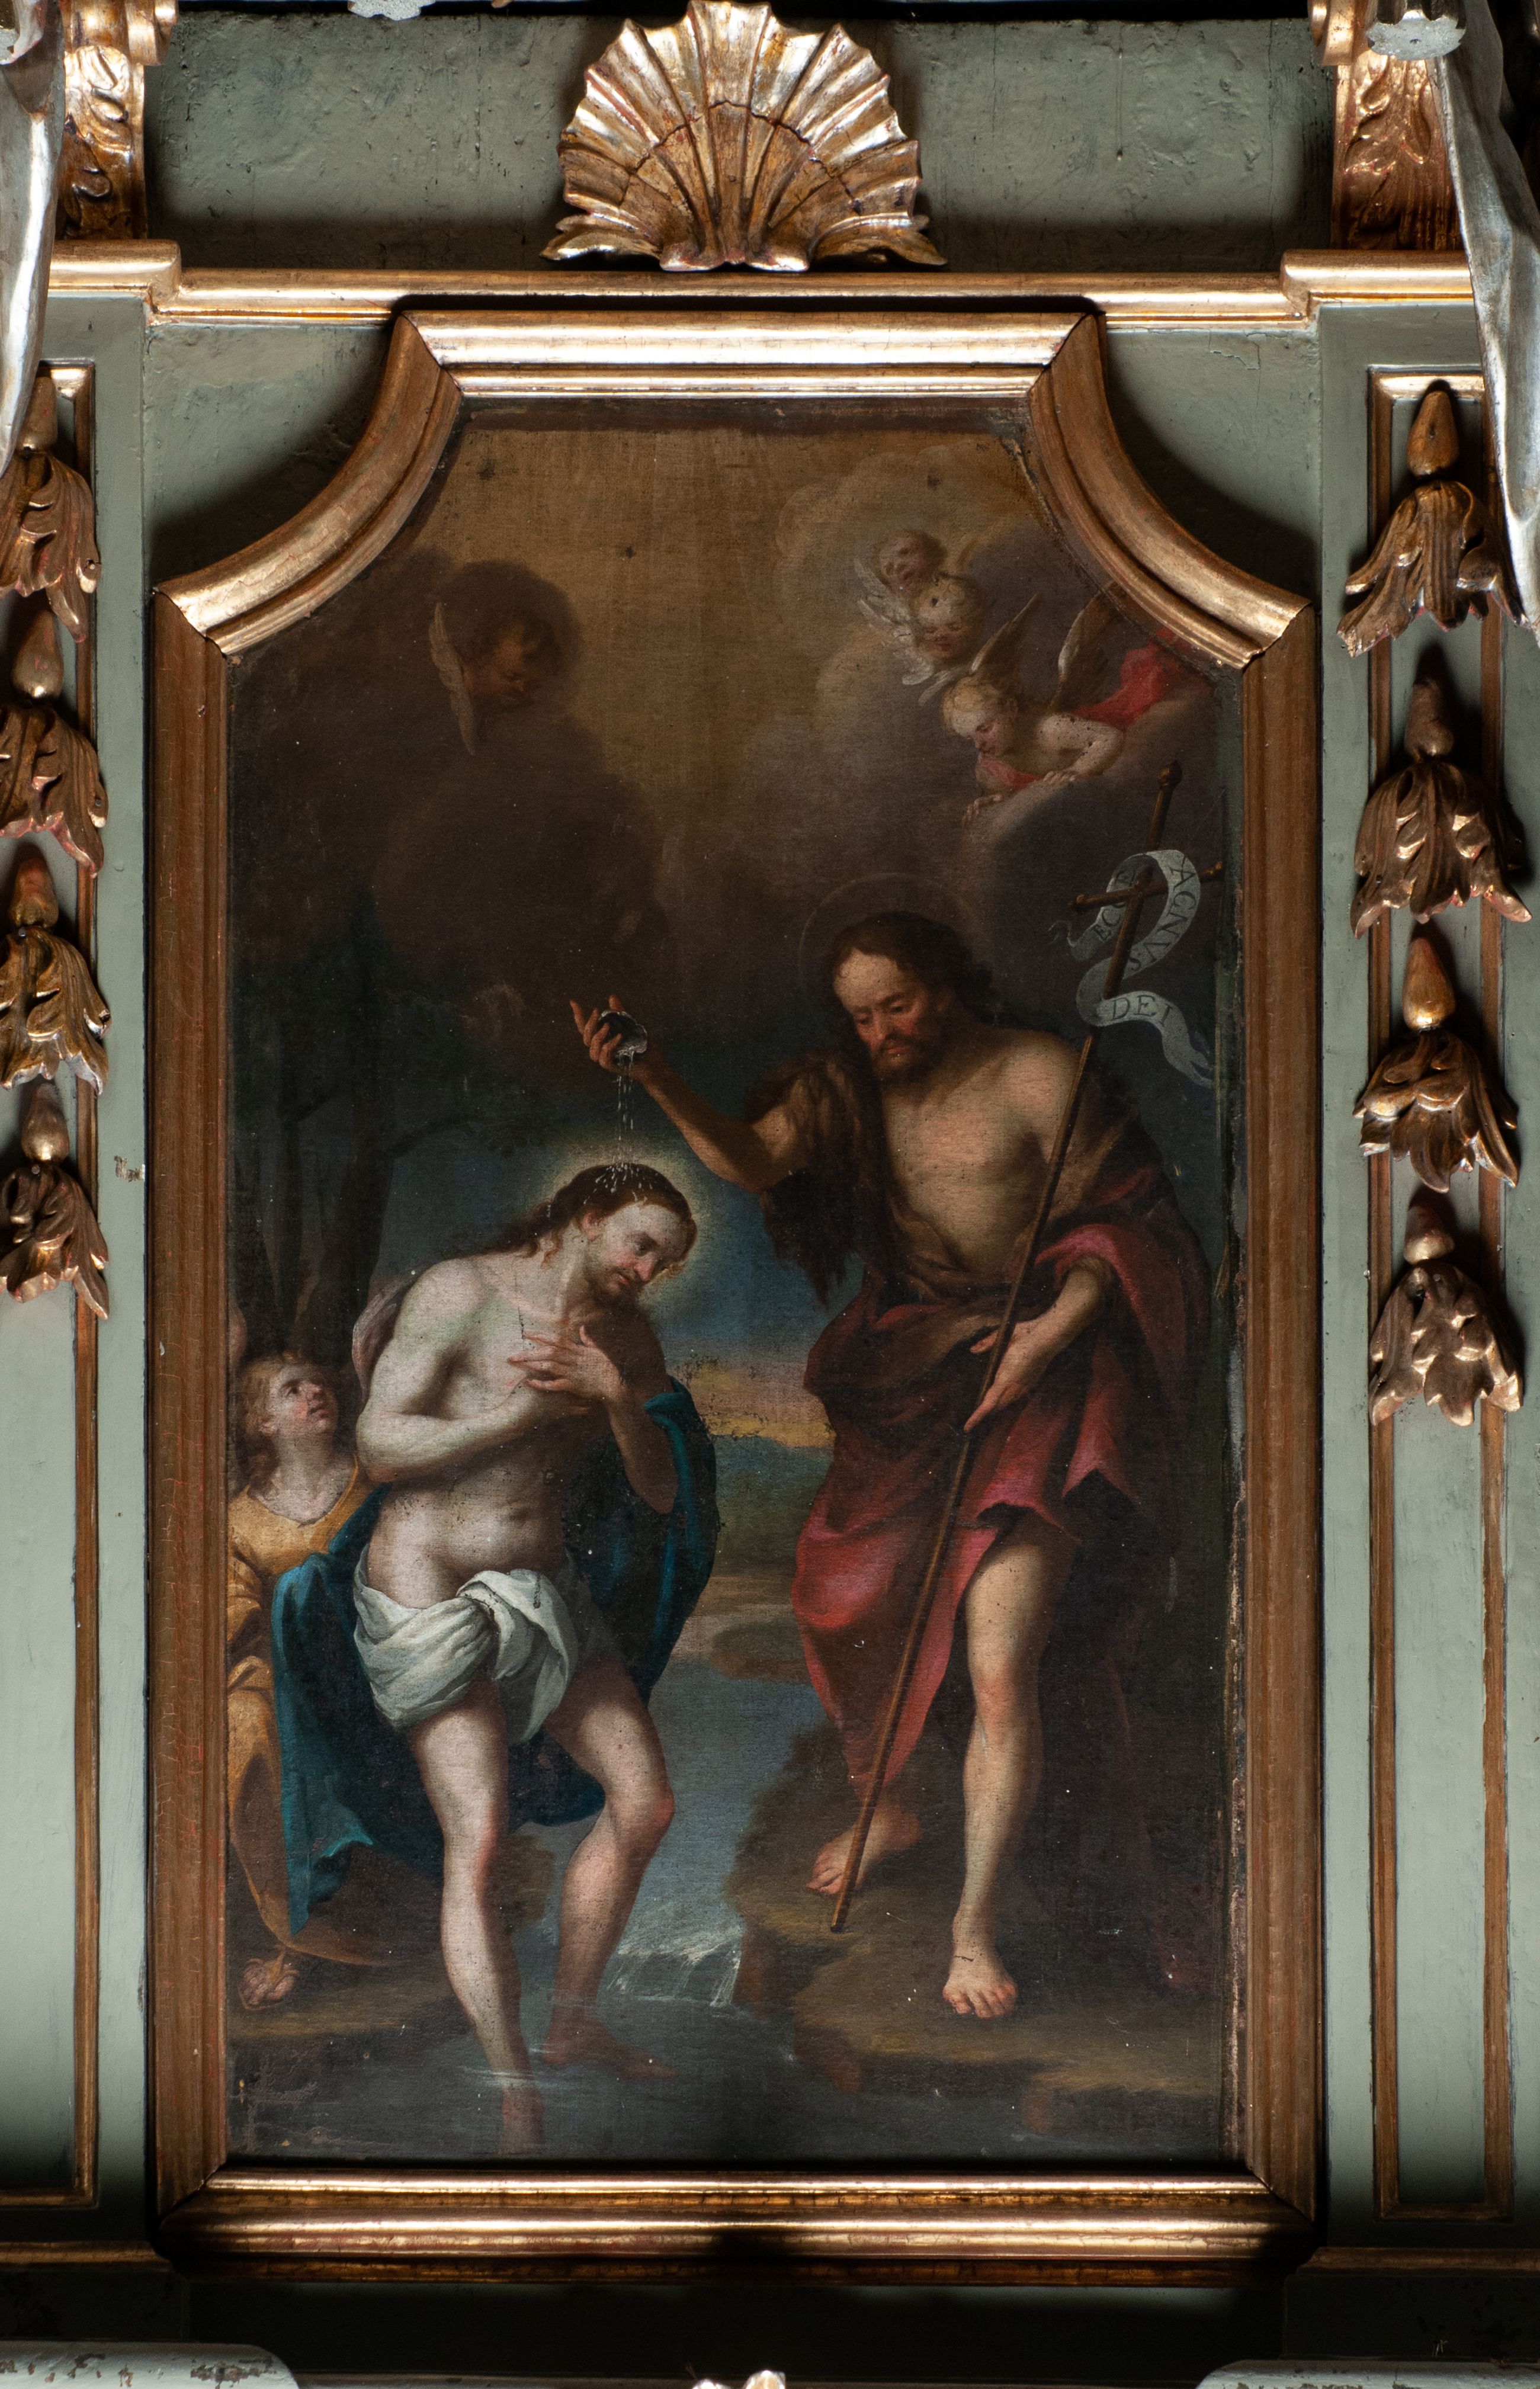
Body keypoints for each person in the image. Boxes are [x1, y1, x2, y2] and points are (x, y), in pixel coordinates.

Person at [573, 916, 1208, 2022]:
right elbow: (755, 1157)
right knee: (839, 1597)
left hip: (1046, 1380)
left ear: (947, 986)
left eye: (898, 1006)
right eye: (861, 1016)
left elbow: (1133, 1230)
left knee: (1000, 1661)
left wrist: (1045, 1339)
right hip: (914, 1375)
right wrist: (657, 1073)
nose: (880, 1034)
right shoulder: (847, 1090)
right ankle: (894, 1803)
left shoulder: (1036, 1074)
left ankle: (973, 1927)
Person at [274, 1165, 714, 2154]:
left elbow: (657, 1492)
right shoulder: (461, 1291)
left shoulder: (627, 1340)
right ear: (588, 1215)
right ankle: (514, 2087)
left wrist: (614, 1398)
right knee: (475, 1843)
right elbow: (382, 1446)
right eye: (641, 1244)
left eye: (667, 1262)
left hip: (543, 1591)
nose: (648, 1271)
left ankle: (572, 2020)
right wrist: (516, 1417)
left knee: (646, 1802)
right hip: (426, 1590)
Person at [227, 1355, 432, 2008]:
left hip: (377, 1657)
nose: (315, 1392)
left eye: (317, 1382)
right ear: (262, 1422)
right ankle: (298, 1927)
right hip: (285, 1677)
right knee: (246, 1725)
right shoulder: (239, 1522)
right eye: (292, 1390)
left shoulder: (374, 1480)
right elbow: (234, 1623)